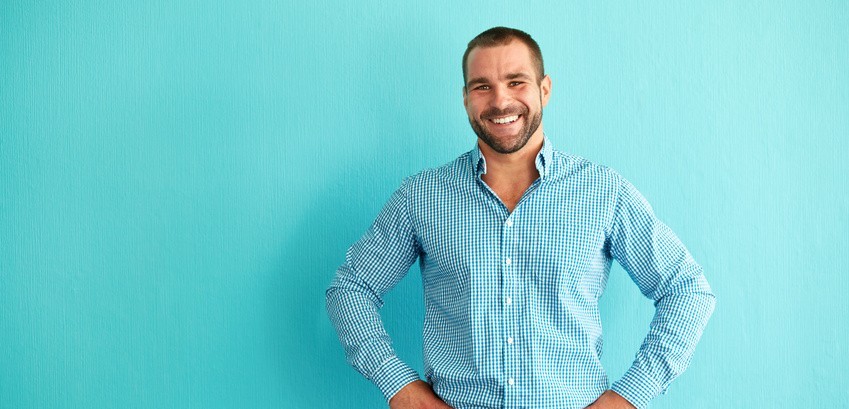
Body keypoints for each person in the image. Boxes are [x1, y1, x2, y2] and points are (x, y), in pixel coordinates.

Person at [326, 26, 715, 409]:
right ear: (465, 99)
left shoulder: (603, 191)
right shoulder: (421, 196)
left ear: (544, 89)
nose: (500, 101)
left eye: (516, 82)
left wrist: (629, 396)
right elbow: (351, 289)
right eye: (482, 86)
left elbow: (687, 290)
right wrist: (400, 387)